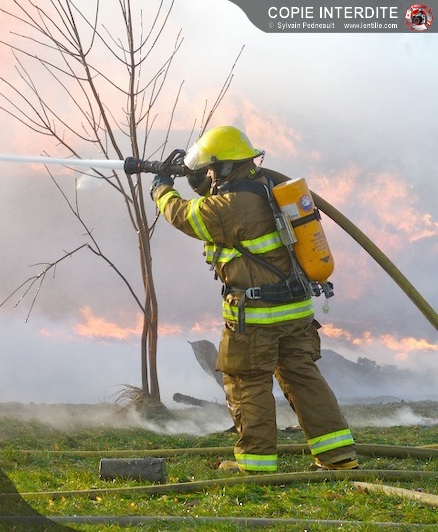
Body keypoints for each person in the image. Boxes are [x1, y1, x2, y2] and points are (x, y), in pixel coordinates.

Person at [150, 125, 357, 472]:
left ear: (225, 167)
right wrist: (192, 172)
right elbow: (211, 198)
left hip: (258, 315)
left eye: (211, 169)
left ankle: (255, 465)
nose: (209, 176)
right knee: (303, 378)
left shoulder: (231, 206)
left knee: (246, 383)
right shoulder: (266, 186)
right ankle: (338, 456)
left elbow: (185, 216)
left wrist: (161, 189)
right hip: (296, 311)